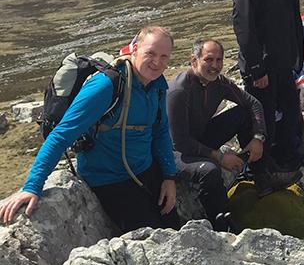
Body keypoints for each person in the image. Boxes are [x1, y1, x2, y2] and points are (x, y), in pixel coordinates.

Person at [0, 26, 180, 233]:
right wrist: (32, 186)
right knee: (155, 238)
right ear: (135, 49)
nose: (157, 62)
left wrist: (169, 177)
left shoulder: (157, 84)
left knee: (176, 228)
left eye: (164, 56)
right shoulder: (106, 85)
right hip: (110, 181)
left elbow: (160, 131)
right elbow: (61, 136)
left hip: (146, 170)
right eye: (150, 53)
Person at [167, 39, 301, 231]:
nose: (215, 66)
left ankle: (261, 176)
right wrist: (219, 156)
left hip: (198, 137)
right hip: (174, 150)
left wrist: (258, 138)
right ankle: (222, 223)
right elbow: (180, 142)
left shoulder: (218, 83)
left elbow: (254, 104)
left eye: (219, 60)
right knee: (210, 171)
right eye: (208, 60)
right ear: (193, 60)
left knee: (243, 114)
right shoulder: (179, 91)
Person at [232, 0, 304, 170]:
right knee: (263, 124)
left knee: (290, 116)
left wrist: (296, 60)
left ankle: (289, 161)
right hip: (262, 69)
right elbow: (244, 29)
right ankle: (263, 173)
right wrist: (256, 69)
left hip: (283, 65)